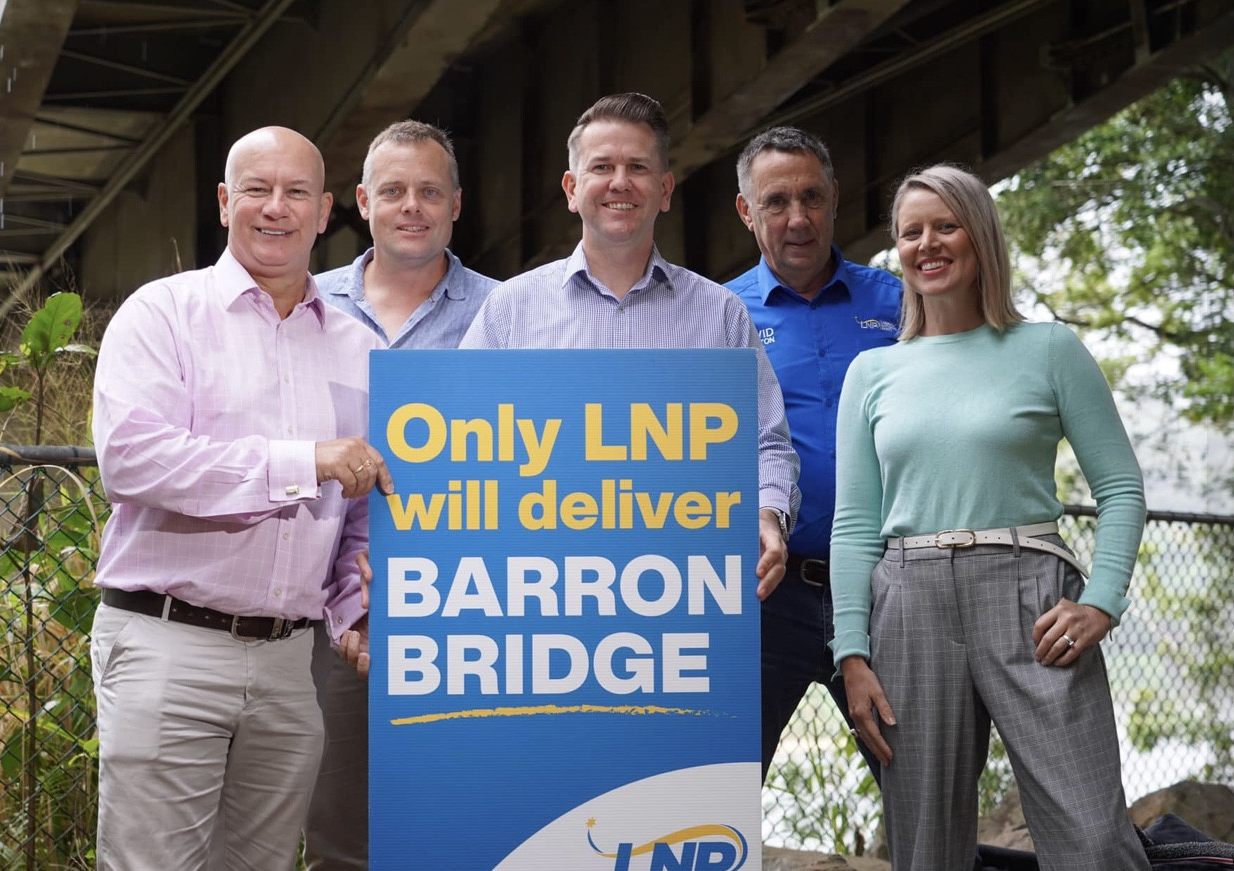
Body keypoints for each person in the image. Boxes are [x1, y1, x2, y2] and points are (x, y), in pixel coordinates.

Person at [829, 164, 1149, 871]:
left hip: (1029, 592)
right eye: (910, 231)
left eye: (945, 225)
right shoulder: (872, 374)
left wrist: (1101, 600)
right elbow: (855, 526)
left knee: (1093, 838)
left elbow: (1121, 486)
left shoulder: (1049, 349)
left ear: (980, 236)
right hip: (906, 601)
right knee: (923, 846)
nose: (927, 243)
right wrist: (850, 653)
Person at [91, 125, 391, 871]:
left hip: (292, 663)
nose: (275, 208)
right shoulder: (161, 314)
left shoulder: (362, 349)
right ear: (225, 202)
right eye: (257, 189)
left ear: (325, 212)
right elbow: (133, 459)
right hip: (169, 642)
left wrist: (357, 607)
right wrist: (302, 462)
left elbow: (362, 508)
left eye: (295, 193)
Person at [460, 91, 800, 601]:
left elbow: (767, 443)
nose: (620, 182)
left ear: (665, 189)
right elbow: (456, 446)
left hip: (683, 595)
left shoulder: (720, 314)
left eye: (638, 167)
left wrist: (767, 512)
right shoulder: (509, 310)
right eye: (602, 166)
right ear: (572, 189)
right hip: (537, 592)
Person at [304, 120, 497, 871]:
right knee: (339, 840)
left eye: (428, 191)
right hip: (329, 618)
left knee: (465, 833)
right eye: (392, 190)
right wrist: (347, 606)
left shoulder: (507, 314)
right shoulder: (307, 306)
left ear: (455, 203)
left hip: (471, 610)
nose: (410, 206)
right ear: (361, 201)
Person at [724, 126, 900, 782]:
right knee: (714, 790)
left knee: (917, 787)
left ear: (834, 198)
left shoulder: (899, 303)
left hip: (887, 588)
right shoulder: (719, 315)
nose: (797, 218)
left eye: (811, 197)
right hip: (763, 594)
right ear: (745, 211)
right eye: (775, 202)